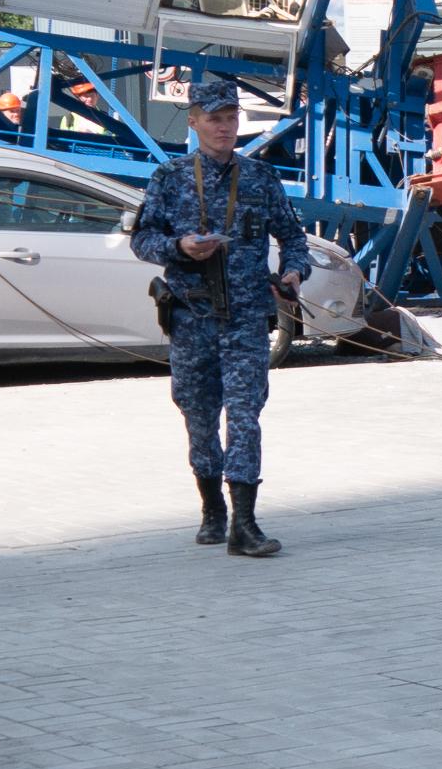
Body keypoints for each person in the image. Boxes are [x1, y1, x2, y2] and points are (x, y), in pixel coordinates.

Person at [130, 74, 312, 558]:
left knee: (246, 415)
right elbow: (142, 240)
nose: (225, 128)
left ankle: (245, 524)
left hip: (247, 318)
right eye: (214, 120)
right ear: (193, 123)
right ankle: (213, 510)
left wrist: (294, 272)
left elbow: (293, 238)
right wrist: (180, 247)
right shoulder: (168, 179)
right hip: (192, 318)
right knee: (198, 416)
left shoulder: (259, 178)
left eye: (232, 118)